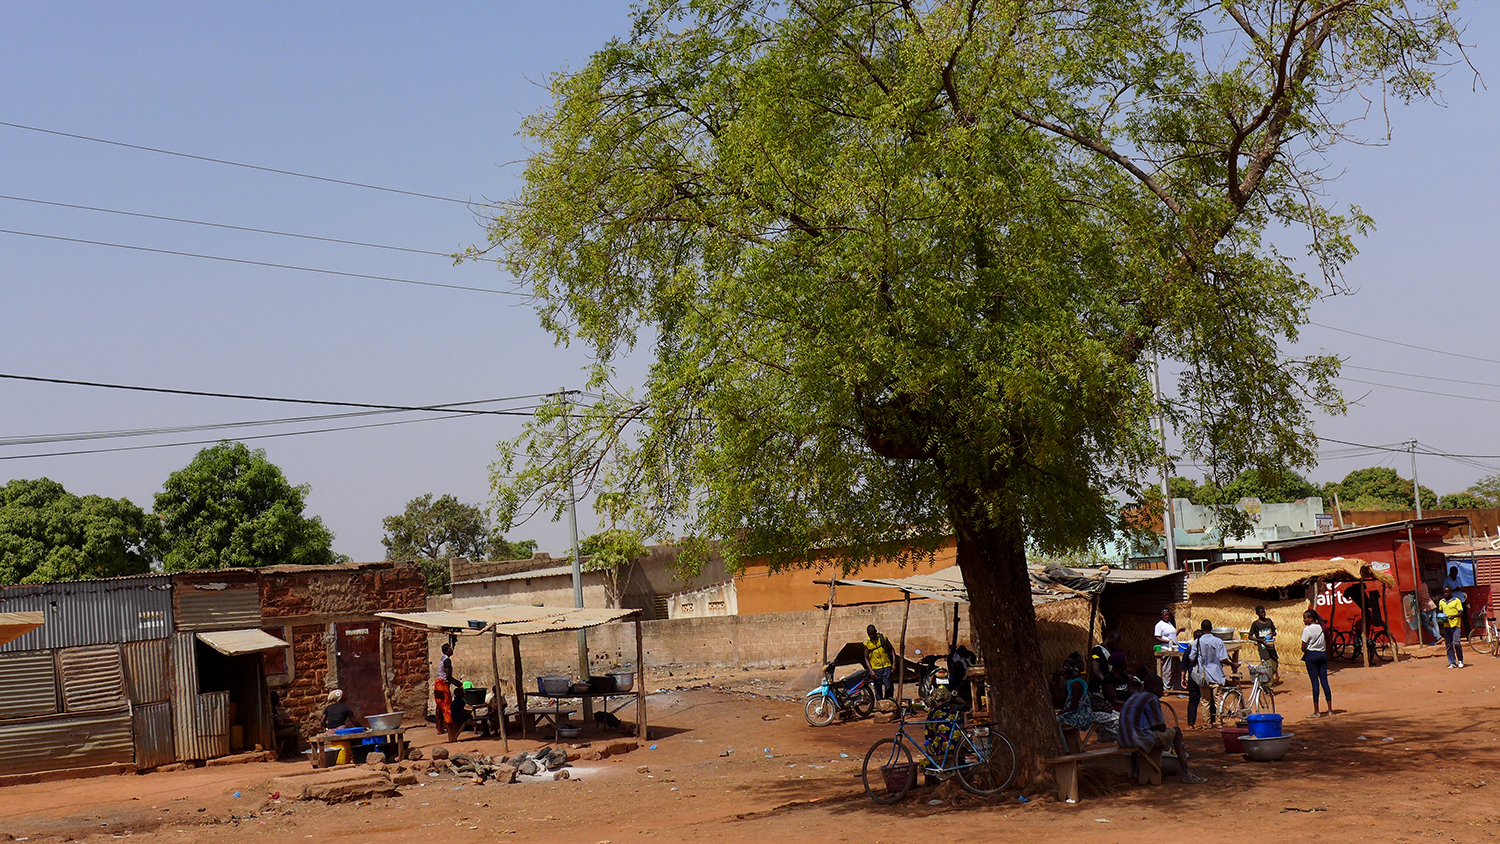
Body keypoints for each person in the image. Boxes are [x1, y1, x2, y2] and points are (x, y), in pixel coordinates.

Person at [1118, 673, 1206, 784]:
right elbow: (1161, 727)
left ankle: (1135, 771)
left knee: (1137, 730)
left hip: (1124, 739)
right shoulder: (1151, 698)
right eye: (1160, 687)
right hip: (1138, 739)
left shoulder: (1135, 695)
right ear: (1151, 687)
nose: (1162, 690)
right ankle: (1186, 773)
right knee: (1177, 732)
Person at [1059, 658, 1119, 742]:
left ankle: (1065, 747)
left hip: (1080, 716)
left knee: (1056, 722)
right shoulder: (1076, 684)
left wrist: (1063, 711)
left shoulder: (1075, 685)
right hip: (1082, 713)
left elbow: (1074, 706)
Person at [1186, 620, 1230, 729]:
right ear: (1211, 628)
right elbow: (1223, 658)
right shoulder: (1218, 641)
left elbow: (1191, 659)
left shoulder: (1197, 642)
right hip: (1216, 675)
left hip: (1204, 676)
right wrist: (1232, 663)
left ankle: (1207, 723)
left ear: (1201, 629)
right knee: (1218, 700)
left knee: (1205, 701)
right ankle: (1219, 722)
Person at [1301, 609, 1332, 717]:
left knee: (1315, 683)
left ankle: (1316, 711)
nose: (1304, 620)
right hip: (1322, 655)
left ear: (1311, 619)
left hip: (1311, 656)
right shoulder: (1322, 628)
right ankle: (1330, 709)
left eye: (1305, 618)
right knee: (1325, 682)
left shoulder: (1307, 630)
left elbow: (1303, 647)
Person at [862, 624, 896, 701]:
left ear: (876, 632)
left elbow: (892, 650)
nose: (871, 636)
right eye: (869, 634)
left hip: (886, 666)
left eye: (872, 634)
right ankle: (880, 705)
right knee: (878, 689)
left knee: (889, 687)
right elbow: (866, 657)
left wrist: (894, 664)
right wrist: (871, 671)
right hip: (876, 669)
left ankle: (888, 702)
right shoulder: (867, 644)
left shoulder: (883, 638)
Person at [1248, 605, 1279, 683]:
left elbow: (1275, 632)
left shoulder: (1269, 621)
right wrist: (1260, 640)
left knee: (1275, 664)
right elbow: (1250, 636)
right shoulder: (1255, 624)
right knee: (1268, 665)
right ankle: (1269, 686)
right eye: (1261, 613)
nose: (1263, 614)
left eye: (1264, 612)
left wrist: (1272, 634)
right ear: (1257, 614)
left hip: (1271, 646)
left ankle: (1266, 679)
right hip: (1263, 647)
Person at [1153, 608, 1183, 689]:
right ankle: (1166, 687)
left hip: (1174, 649)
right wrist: (1167, 642)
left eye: (1168, 615)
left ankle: (1176, 686)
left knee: (1175, 668)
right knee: (1167, 669)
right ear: (1161, 616)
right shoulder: (1159, 625)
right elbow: (1157, 637)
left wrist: (1178, 631)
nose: (1167, 616)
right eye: (1165, 614)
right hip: (1166, 649)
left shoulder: (1169, 624)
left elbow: (1172, 636)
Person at [1438, 585, 1466, 669]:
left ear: (1451, 592)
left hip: (1455, 625)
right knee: (1449, 644)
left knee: (1456, 642)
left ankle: (1460, 660)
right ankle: (1452, 662)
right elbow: (1440, 612)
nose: (1445, 594)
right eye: (1444, 592)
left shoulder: (1456, 601)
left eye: (1447, 592)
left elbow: (1461, 612)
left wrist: (1454, 616)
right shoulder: (1441, 602)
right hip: (1447, 626)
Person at [434, 642, 458, 738]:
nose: (451, 650)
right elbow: (448, 676)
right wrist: (457, 683)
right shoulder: (447, 661)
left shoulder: (441, 659)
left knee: (439, 707)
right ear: (446, 651)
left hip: (437, 684)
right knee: (447, 706)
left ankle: (440, 728)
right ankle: (450, 728)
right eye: (450, 649)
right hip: (443, 685)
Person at [1089, 630, 1122, 695]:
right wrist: (1105, 680)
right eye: (1114, 642)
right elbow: (1096, 669)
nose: (1116, 645)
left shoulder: (1114, 652)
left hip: (1109, 687)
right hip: (1097, 687)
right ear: (1109, 638)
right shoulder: (1097, 650)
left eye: (1117, 643)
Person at [1416, 580, 1441, 644]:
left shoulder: (1416, 588)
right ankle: (1438, 638)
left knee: (1427, 625)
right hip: (1432, 605)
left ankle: (1438, 637)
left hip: (1425, 607)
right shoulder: (1425, 584)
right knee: (1435, 622)